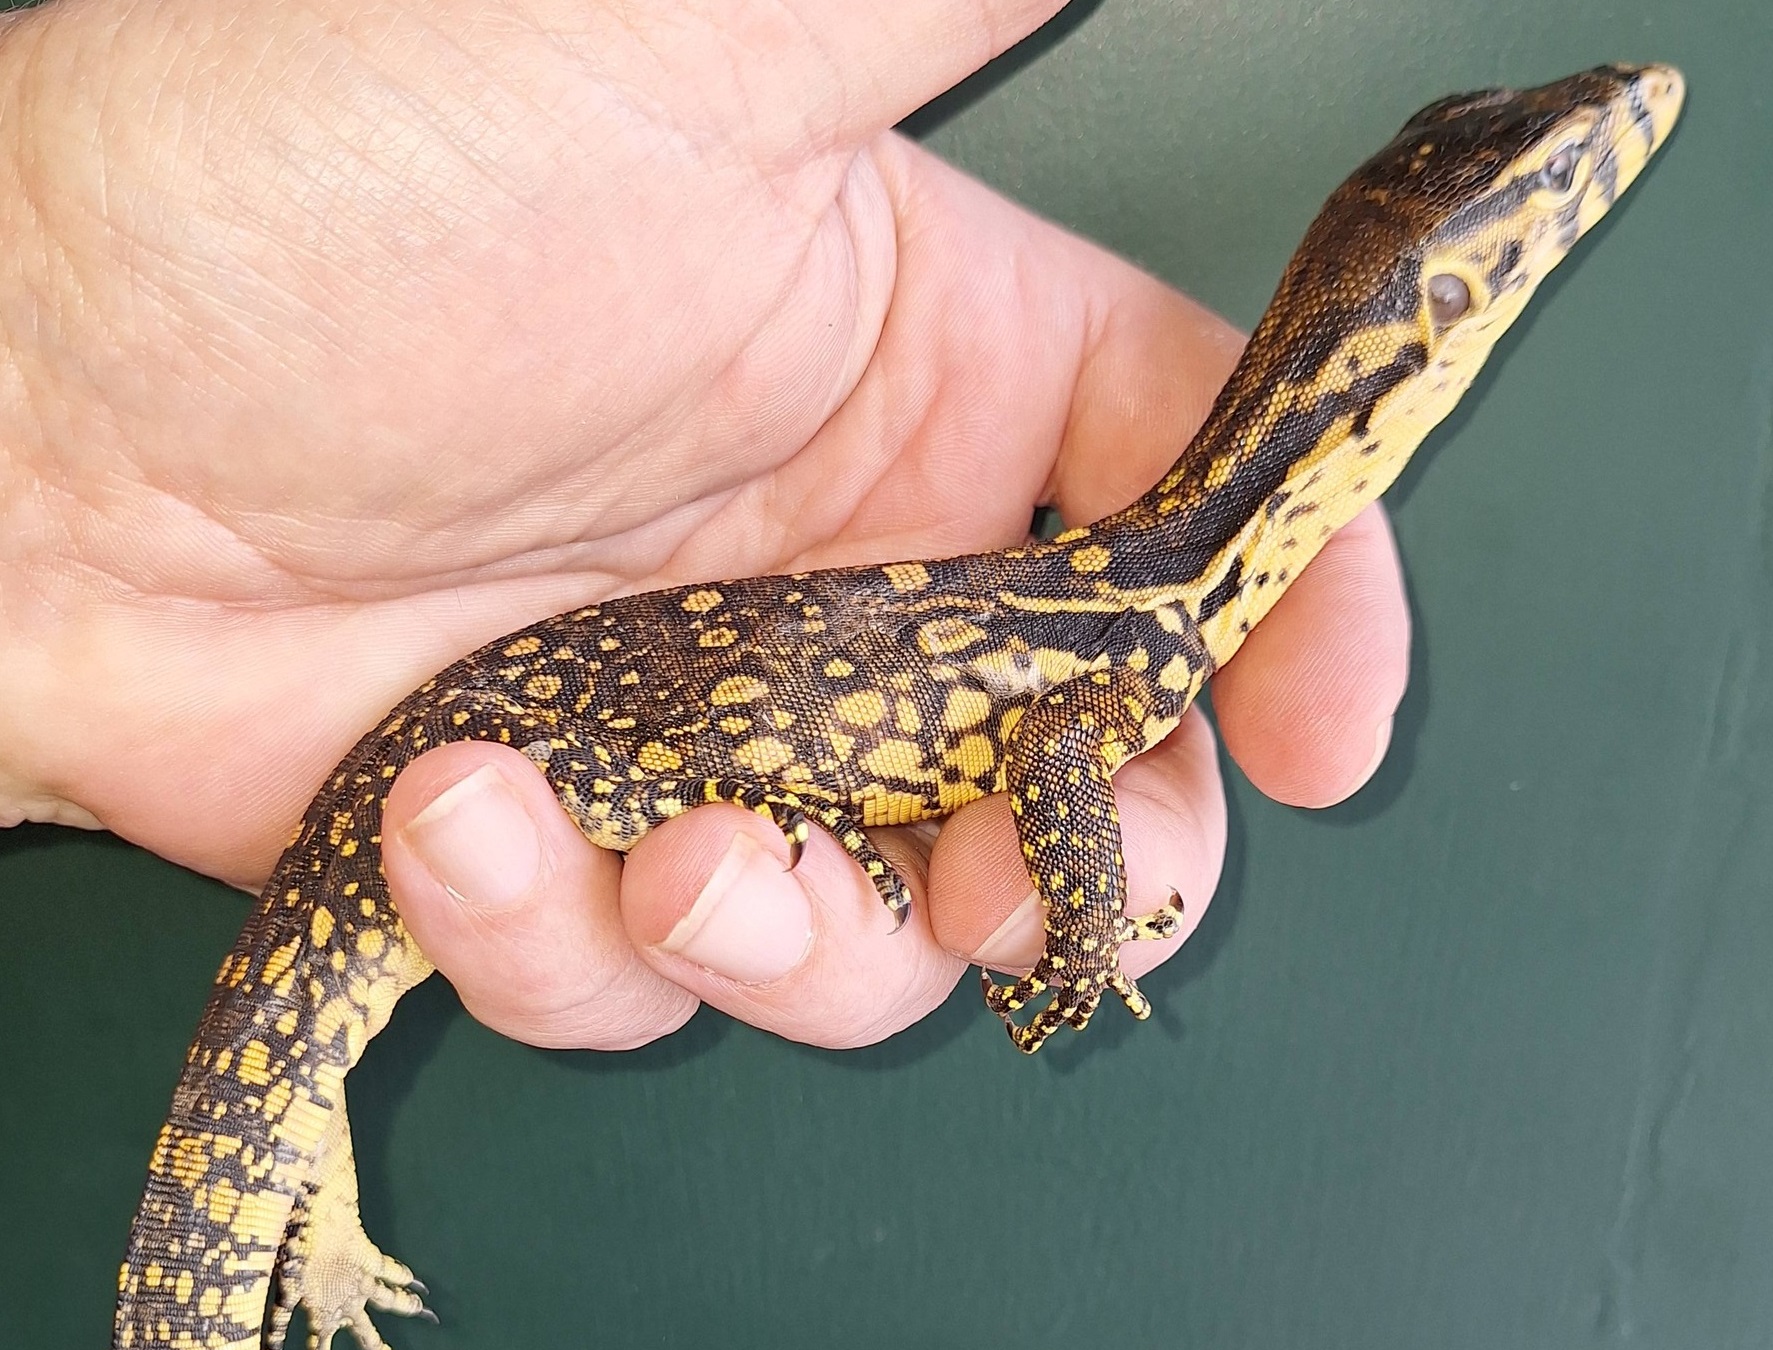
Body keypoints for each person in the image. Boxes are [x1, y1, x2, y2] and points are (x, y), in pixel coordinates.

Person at [0, 0, 1407, 1053]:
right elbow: (1047, 741)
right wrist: (1084, 933)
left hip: (481, 737)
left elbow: (1049, 739)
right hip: (513, 735)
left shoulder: (1140, 610)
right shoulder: (1132, 631)